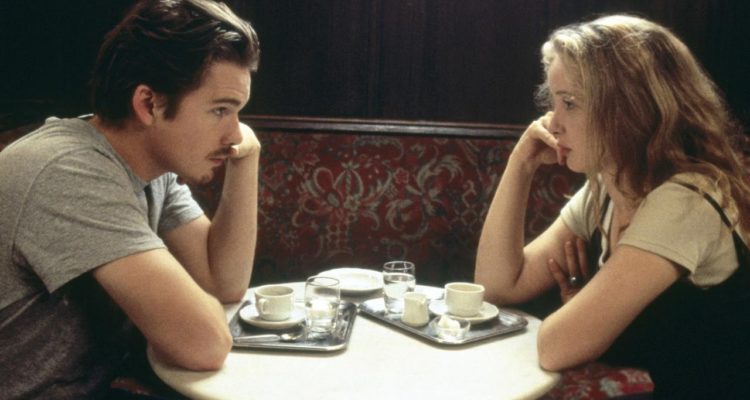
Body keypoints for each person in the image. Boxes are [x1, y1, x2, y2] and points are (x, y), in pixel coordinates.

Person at [475, 14, 750, 397]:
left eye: (570, 103)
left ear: (629, 108)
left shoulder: (686, 200)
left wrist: (577, 318)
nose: (553, 123)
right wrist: (520, 164)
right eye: (554, 103)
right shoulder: (608, 186)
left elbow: (555, 347)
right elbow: (497, 287)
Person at [0, 0, 260, 398]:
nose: (235, 133)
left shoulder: (153, 169)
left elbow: (223, 283)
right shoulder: (68, 171)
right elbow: (204, 343)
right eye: (220, 110)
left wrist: (246, 161)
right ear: (148, 104)